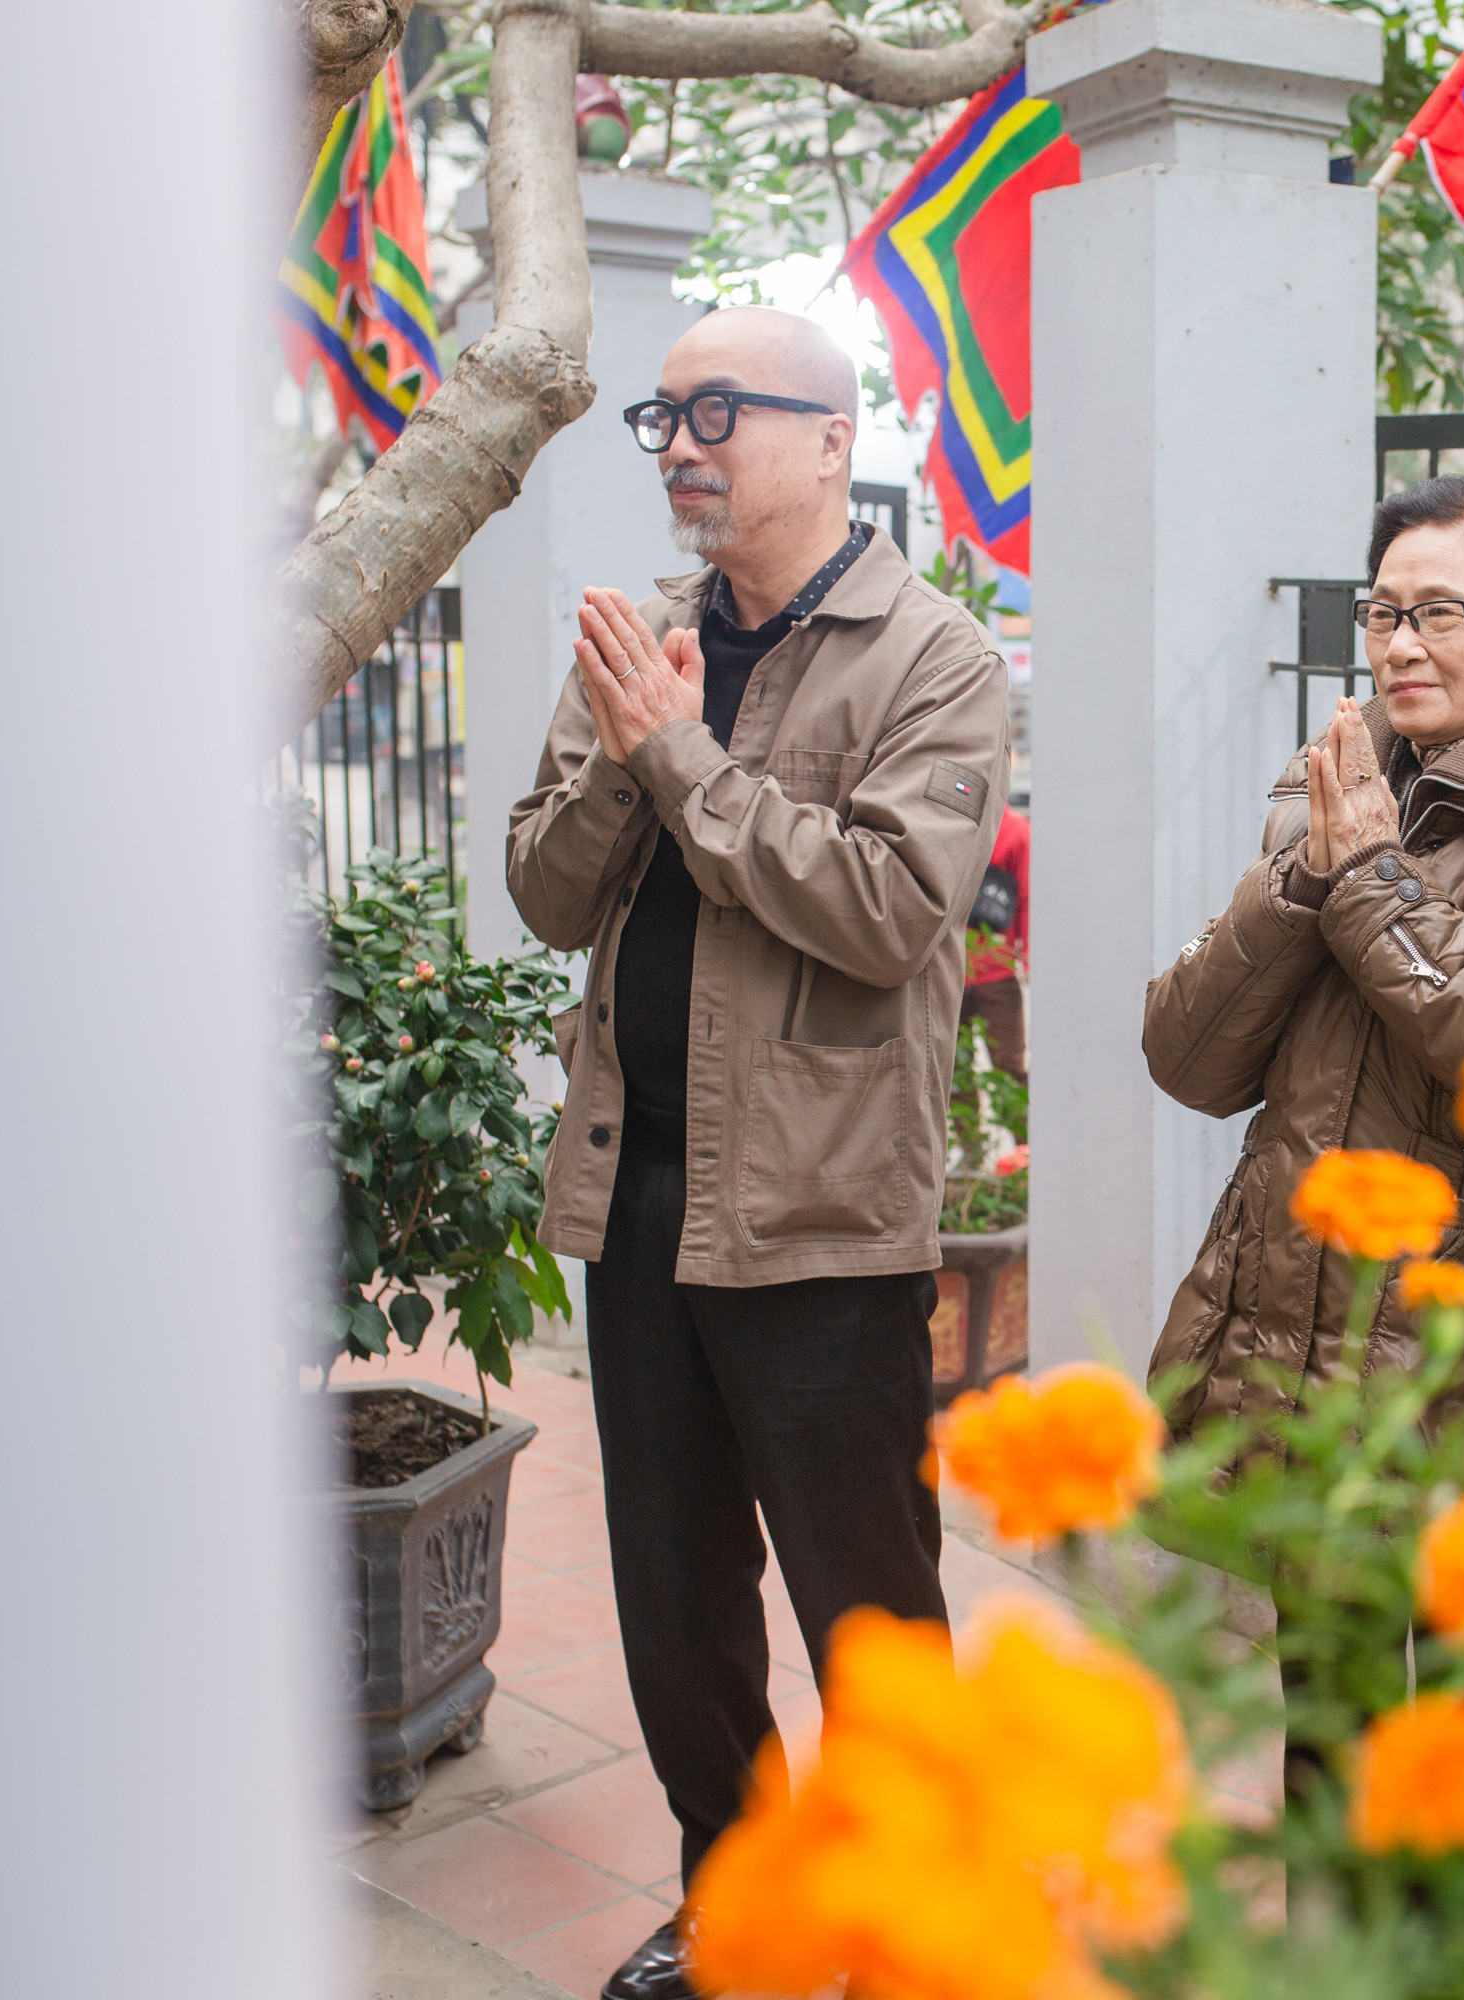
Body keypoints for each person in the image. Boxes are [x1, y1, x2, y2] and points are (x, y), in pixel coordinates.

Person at [504, 306, 1009, 2000]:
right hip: (637, 1187)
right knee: (675, 1591)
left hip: (820, 1211)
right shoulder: (646, 638)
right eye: (663, 418)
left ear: (830, 437)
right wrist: (626, 754)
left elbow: (885, 910)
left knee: (866, 1606)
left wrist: (675, 752)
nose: (681, 447)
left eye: (717, 411)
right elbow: (545, 891)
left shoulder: (929, 657)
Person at [1140, 476, 1464, 1815]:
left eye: (1439, 613)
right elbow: (1187, 1059)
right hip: (1308, 1355)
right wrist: (1307, 877)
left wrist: (1369, 884)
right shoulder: (1334, 795)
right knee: (1329, 1757)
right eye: (1382, 614)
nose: (1401, 645)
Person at [962, 801, 1032, 1078]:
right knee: (954, 1072)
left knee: (1006, 1069)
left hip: (993, 970)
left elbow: (1026, 899)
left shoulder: (1015, 830)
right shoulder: (1016, 828)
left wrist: (1028, 957)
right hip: (962, 968)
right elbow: (1027, 899)